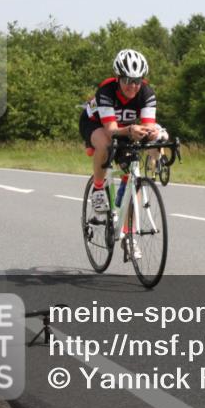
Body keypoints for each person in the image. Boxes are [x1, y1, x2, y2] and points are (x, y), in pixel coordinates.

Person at [79, 49, 161, 259]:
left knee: (134, 177)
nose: (132, 86)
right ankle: (98, 189)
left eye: (137, 80)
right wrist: (131, 131)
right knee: (106, 145)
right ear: (117, 78)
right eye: (126, 80)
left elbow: (147, 129)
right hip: (97, 124)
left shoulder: (147, 94)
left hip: (125, 128)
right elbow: (111, 130)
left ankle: (129, 234)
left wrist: (156, 146)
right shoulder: (106, 92)